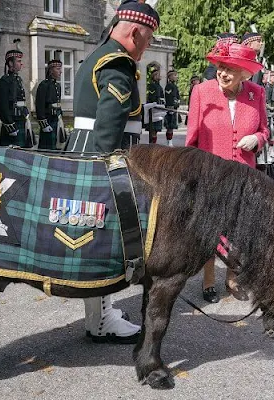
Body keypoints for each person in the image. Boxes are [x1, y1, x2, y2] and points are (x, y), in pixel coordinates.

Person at [63, 0, 160, 342]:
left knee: (94, 237)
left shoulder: (99, 53)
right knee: (106, 241)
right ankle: (101, 321)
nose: (146, 48)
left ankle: (99, 316)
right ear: (134, 32)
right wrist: (114, 174)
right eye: (147, 40)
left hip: (82, 150)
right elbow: (108, 127)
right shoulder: (119, 63)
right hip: (101, 157)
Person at [186, 43, 269, 303]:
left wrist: (256, 139)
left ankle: (232, 278)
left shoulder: (257, 93)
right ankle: (209, 280)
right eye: (220, 67)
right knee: (210, 229)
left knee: (238, 229)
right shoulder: (201, 92)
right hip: (210, 175)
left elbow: (265, 130)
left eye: (230, 70)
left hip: (244, 176)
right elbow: (191, 139)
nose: (222, 74)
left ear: (244, 73)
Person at [0, 49, 34, 148]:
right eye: (18, 61)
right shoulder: (4, 81)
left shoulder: (18, 79)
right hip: (12, 122)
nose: (20, 64)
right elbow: (2, 106)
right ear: (10, 63)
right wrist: (10, 125)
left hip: (21, 119)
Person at [35, 59, 65, 149]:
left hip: (56, 119)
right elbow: (39, 106)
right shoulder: (44, 85)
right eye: (58, 69)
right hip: (48, 120)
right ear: (51, 70)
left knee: (58, 147)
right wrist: (44, 124)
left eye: (60, 69)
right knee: (47, 149)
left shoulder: (58, 86)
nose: (61, 71)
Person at [145, 65, 164, 143]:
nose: (159, 76)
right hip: (153, 108)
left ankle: (154, 144)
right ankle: (152, 144)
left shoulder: (159, 86)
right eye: (157, 75)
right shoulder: (152, 86)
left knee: (156, 129)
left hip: (158, 107)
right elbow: (152, 97)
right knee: (153, 128)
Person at [163, 69, 180, 146]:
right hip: (170, 108)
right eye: (174, 75)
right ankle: (169, 141)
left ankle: (170, 141)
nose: (176, 77)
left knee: (172, 126)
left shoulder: (174, 86)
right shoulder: (169, 86)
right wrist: (170, 107)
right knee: (170, 125)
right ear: (170, 77)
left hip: (174, 107)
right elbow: (169, 97)